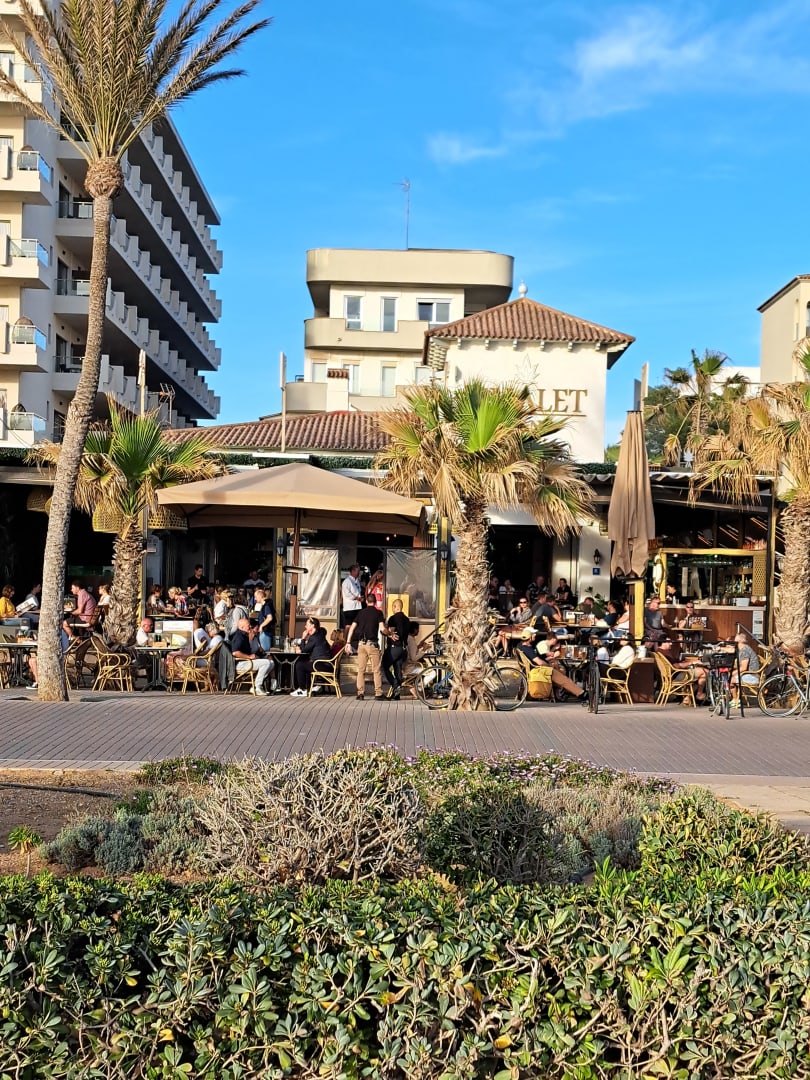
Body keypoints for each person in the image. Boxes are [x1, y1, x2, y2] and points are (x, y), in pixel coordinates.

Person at [514, 627, 584, 701]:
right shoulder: (527, 649)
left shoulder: (521, 645)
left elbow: (537, 656)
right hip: (539, 670)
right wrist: (549, 665)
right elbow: (540, 662)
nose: (535, 635)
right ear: (529, 636)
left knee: (560, 673)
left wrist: (547, 655)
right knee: (563, 678)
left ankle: (567, 691)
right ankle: (581, 693)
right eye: (533, 634)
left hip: (536, 668)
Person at [345, 600, 385, 700]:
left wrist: (348, 642)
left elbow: (352, 628)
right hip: (372, 644)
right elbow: (382, 628)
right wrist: (390, 634)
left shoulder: (360, 613)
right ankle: (378, 693)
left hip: (361, 645)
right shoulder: (378, 613)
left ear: (366, 601)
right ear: (375, 602)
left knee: (361, 670)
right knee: (376, 670)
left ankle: (360, 693)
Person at [230, 616, 274, 695]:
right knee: (266, 663)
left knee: (271, 663)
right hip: (241, 663)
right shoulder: (239, 636)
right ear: (242, 627)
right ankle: (257, 687)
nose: (250, 627)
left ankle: (256, 685)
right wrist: (249, 657)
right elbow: (235, 653)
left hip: (247, 661)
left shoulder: (244, 635)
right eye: (248, 625)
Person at [290, 616, 331, 696]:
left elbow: (304, 650)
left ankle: (302, 689)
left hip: (322, 664)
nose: (305, 626)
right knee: (305, 664)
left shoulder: (314, 637)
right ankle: (309, 687)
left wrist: (303, 638)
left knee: (300, 665)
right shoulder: (320, 634)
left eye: (307, 625)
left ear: (312, 626)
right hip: (326, 664)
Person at [382, 598, 410, 698]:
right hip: (403, 648)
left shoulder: (393, 618)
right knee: (397, 669)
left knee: (384, 666)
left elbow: (391, 631)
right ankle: (396, 695)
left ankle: (395, 685)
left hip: (394, 647)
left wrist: (385, 632)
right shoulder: (407, 619)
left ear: (394, 607)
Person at [728, 631, 760, 709]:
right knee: (729, 675)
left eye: (735, 638)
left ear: (739, 640)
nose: (734, 640)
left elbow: (743, 668)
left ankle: (735, 700)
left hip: (752, 676)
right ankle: (734, 699)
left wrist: (732, 673)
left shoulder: (745, 650)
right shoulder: (742, 649)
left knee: (730, 679)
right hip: (748, 674)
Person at [253, 587, 277, 652]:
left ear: (260, 596)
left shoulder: (266, 605)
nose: (255, 599)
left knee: (265, 651)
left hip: (265, 632)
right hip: (266, 631)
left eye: (255, 597)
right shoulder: (267, 604)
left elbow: (269, 618)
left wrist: (261, 626)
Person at [341, 563, 363, 628]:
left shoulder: (357, 581)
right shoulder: (347, 581)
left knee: (356, 625)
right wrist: (357, 598)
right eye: (357, 571)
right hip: (350, 607)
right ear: (352, 571)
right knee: (348, 625)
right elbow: (347, 593)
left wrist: (360, 597)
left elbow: (358, 592)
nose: (358, 573)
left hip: (357, 606)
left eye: (359, 571)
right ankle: (346, 635)